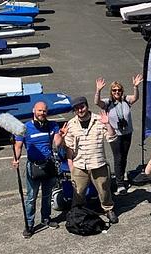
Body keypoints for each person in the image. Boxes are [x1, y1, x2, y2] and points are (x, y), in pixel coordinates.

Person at [64, 96, 119, 224]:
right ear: (74, 111)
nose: (80, 110)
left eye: (82, 107)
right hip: (79, 164)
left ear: (87, 106)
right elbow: (69, 147)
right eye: (77, 108)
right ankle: (77, 212)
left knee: (104, 189)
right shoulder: (71, 124)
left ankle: (108, 209)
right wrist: (70, 163)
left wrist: (107, 124)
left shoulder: (99, 120)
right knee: (78, 192)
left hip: (98, 163)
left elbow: (112, 138)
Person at [13, 101, 62, 238]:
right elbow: (18, 146)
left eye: (44, 111)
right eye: (40, 110)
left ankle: (46, 219)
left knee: (47, 196)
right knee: (31, 198)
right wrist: (16, 159)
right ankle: (29, 225)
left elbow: (57, 143)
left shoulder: (52, 125)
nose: (42, 113)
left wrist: (61, 137)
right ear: (34, 111)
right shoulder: (24, 127)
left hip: (48, 166)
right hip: (33, 167)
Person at [93, 74, 142, 195]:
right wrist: (98, 90)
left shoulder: (126, 100)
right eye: (114, 90)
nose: (117, 92)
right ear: (111, 92)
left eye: (119, 90)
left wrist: (135, 87)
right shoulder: (108, 102)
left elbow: (136, 98)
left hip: (127, 132)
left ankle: (121, 176)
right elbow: (97, 102)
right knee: (118, 157)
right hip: (114, 134)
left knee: (124, 157)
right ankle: (120, 184)